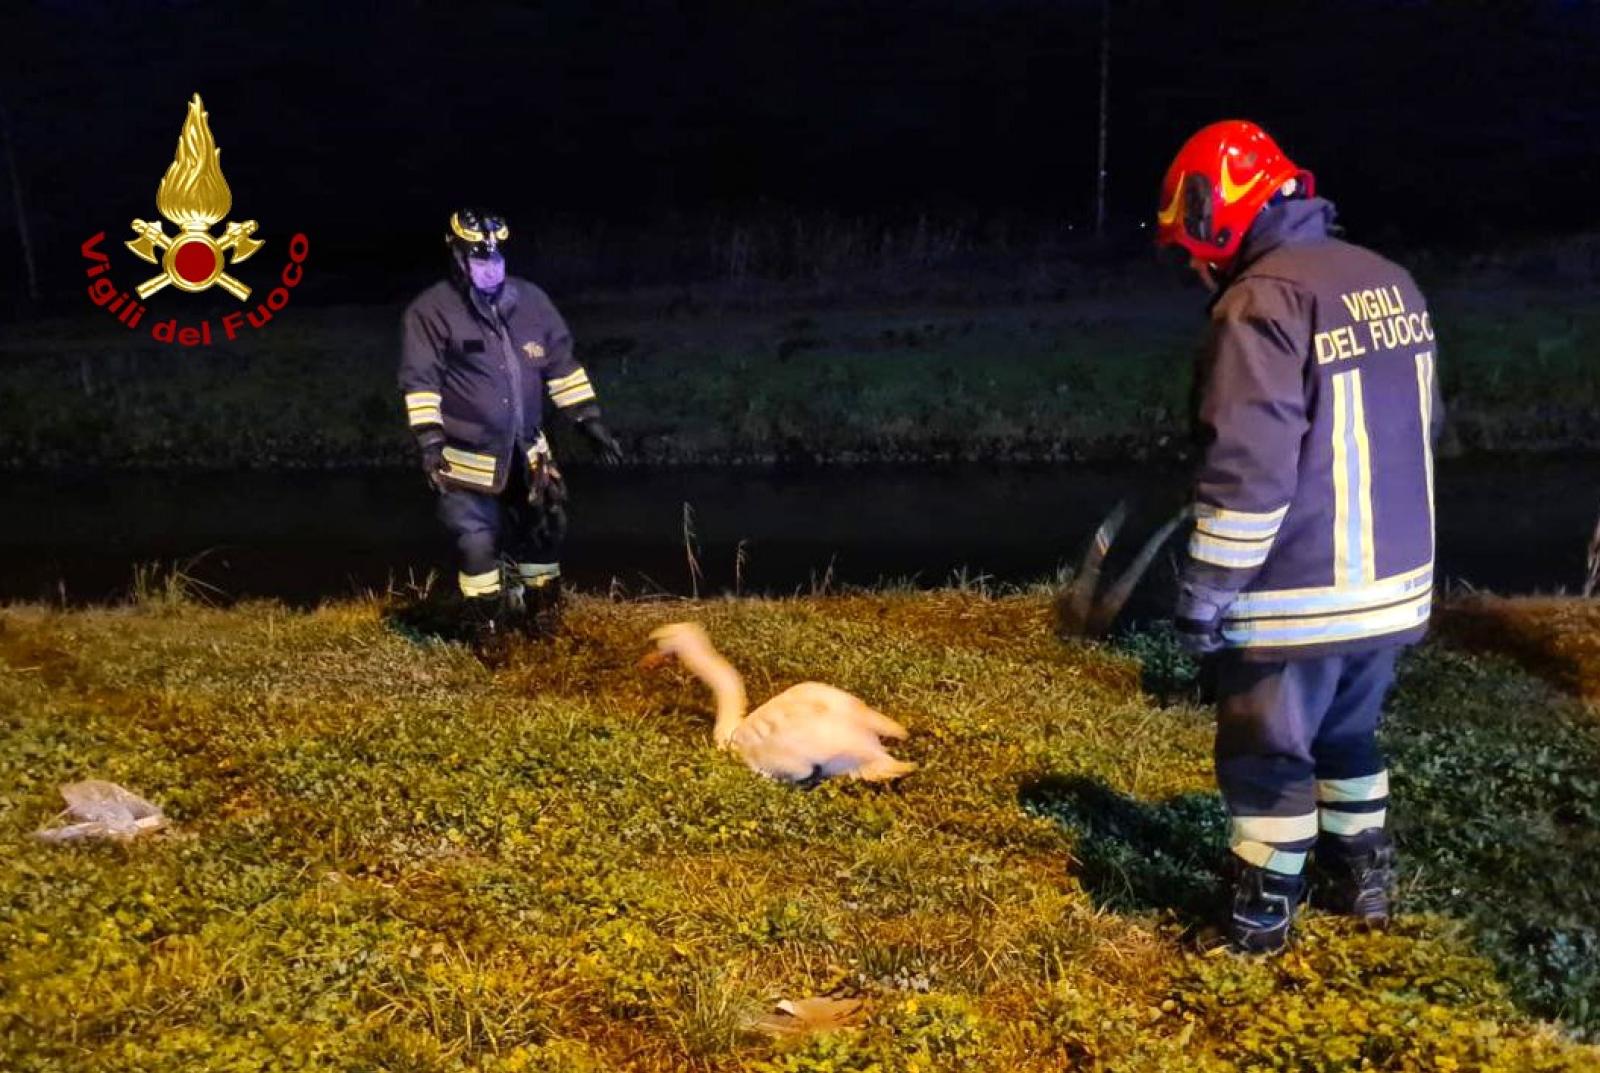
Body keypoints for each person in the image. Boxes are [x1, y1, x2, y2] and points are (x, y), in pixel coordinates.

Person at [1155, 121, 1444, 952]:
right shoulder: (1391, 282)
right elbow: (1422, 427)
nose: (1193, 265)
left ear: (1219, 211)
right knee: (1349, 733)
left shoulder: (1260, 301)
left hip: (1300, 594)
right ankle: (1365, 880)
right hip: (1395, 587)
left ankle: (1259, 916)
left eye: (1192, 245)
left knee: (1266, 751)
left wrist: (1206, 595)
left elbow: (1249, 469)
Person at [399, 208, 623, 638]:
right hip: (465, 458)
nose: (491, 269)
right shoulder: (431, 312)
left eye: (497, 259)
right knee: (476, 543)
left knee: (544, 531)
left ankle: (540, 617)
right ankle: (486, 630)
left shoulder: (532, 302)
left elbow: (561, 365)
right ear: (458, 258)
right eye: (481, 260)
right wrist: (428, 440)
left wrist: (588, 420)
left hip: (529, 454)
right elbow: (420, 381)